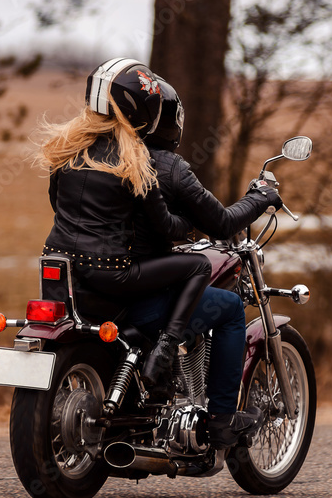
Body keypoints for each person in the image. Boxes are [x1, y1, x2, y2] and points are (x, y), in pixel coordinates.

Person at [34, 58, 210, 388]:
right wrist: (188, 225)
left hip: (60, 264)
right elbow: (164, 226)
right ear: (143, 110)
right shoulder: (135, 160)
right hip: (112, 273)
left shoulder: (66, 149)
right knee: (199, 265)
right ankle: (166, 350)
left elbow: (57, 204)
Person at [126, 76, 282, 448]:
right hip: (138, 292)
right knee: (229, 308)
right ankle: (222, 421)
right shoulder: (169, 167)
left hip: (96, 288)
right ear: (171, 121)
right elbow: (223, 222)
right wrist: (260, 198)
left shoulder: (100, 158)